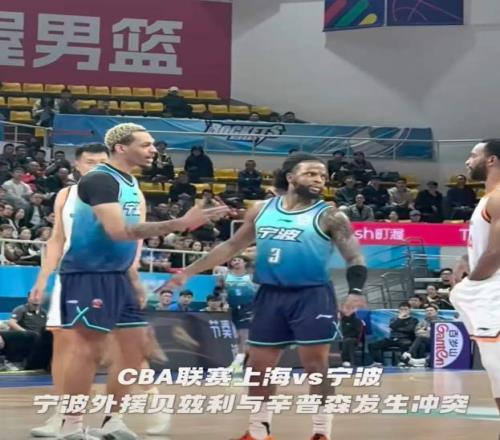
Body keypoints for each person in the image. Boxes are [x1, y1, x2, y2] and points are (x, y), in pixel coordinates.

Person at [30, 123, 228, 440]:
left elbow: (134, 239)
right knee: (87, 351)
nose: (153, 150)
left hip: (119, 276)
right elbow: (119, 231)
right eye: (145, 144)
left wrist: (134, 276)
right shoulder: (100, 180)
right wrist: (180, 222)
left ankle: (112, 420)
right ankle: (71, 423)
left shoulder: (131, 182)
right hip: (88, 275)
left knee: (134, 349)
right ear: (122, 148)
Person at [166, 153, 368, 440]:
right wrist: (188, 271)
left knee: (316, 367)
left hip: (312, 296)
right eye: (311, 174)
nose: (319, 180)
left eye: (323, 176)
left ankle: (321, 431)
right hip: (269, 295)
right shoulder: (262, 209)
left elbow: (355, 257)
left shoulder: (331, 216)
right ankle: (259, 430)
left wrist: (356, 291)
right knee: (258, 366)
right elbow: (232, 245)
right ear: (291, 177)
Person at [451, 139, 500, 412]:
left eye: (473, 155)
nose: (467, 161)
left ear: (491, 160)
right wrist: (465, 259)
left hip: (494, 289)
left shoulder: (498, 197)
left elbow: (496, 252)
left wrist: (471, 283)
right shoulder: (488, 199)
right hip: (490, 288)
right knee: (495, 370)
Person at [221, 255, 256, 373]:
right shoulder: (226, 276)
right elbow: (222, 291)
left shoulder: (250, 276)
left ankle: (238, 364)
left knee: (243, 336)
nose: (235, 262)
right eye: (233, 260)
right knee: (239, 337)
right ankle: (246, 362)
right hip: (233, 308)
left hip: (247, 308)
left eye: (238, 260)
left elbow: (258, 292)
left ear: (245, 263)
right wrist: (224, 302)